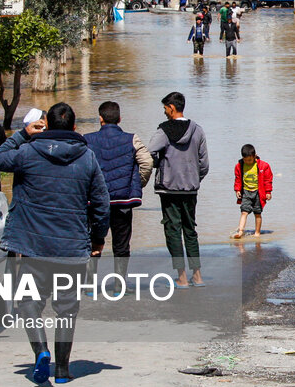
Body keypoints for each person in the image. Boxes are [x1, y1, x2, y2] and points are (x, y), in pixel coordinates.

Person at [0, 102, 110, 385]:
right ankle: (63, 370)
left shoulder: (27, 152)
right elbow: (102, 205)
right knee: (67, 309)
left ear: (46, 125)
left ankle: (41, 351)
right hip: (72, 248)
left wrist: (22, 134)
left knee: (29, 301)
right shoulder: (88, 158)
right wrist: (97, 240)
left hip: (34, 246)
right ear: (74, 128)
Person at [84, 101, 154, 285]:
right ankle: (118, 286)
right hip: (123, 201)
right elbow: (147, 162)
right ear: (120, 119)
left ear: (100, 119)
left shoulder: (87, 140)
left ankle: (90, 285)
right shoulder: (132, 139)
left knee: (94, 242)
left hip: (95, 203)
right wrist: (137, 184)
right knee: (121, 245)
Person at [148, 92, 209, 288]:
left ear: (172, 108)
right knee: (190, 230)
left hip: (168, 189)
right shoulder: (197, 130)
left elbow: (149, 152)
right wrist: (193, 178)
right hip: (190, 190)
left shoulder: (163, 131)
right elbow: (204, 164)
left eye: (165, 108)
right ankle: (197, 275)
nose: (164, 112)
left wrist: (160, 165)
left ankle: (181, 277)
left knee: (173, 231)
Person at [232, 143, 273, 239]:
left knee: (257, 213)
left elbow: (268, 180)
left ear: (255, 156)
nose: (248, 162)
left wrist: (268, 192)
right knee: (244, 212)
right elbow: (237, 179)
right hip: (246, 192)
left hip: (258, 193)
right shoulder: (239, 166)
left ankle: (257, 233)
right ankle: (240, 231)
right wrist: (237, 190)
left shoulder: (263, 166)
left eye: (250, 160)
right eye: (245, 160)